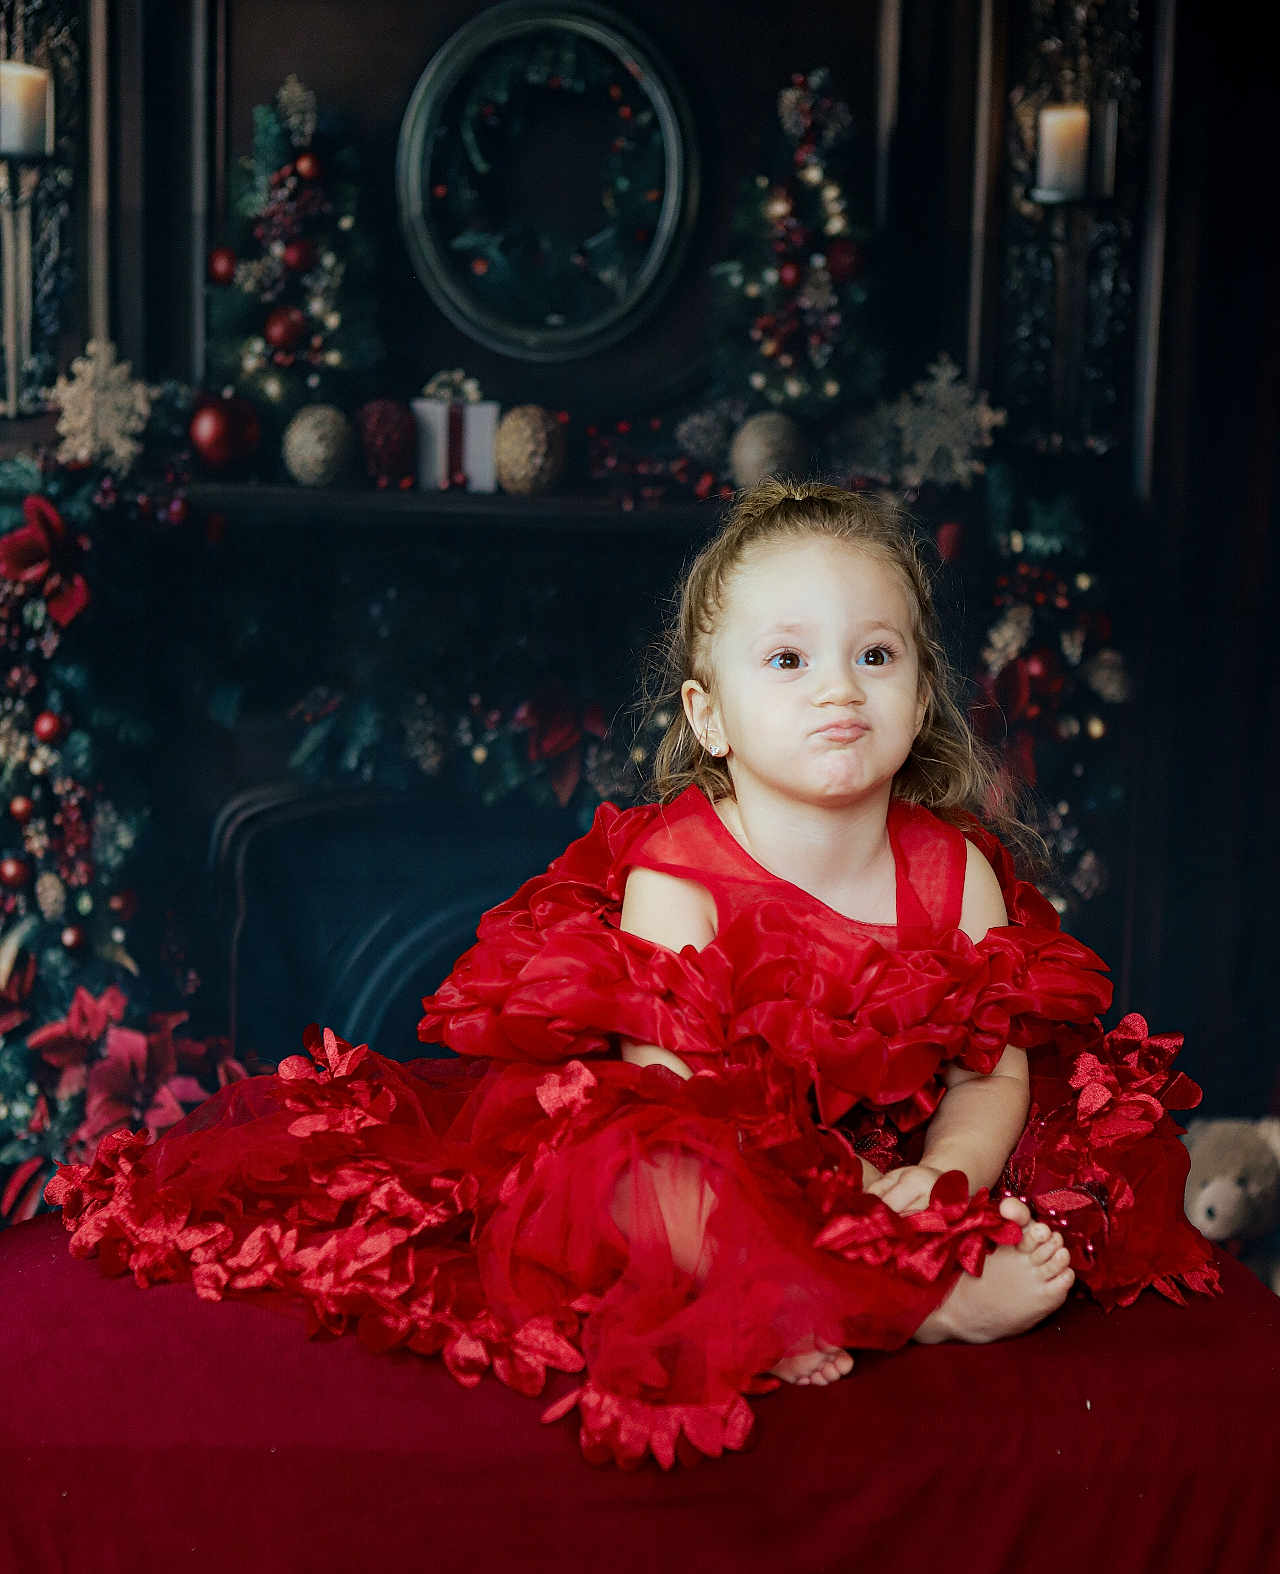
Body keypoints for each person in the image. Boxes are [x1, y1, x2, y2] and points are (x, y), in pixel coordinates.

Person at [43, 478, 1218, 1470]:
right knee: (644, 1186)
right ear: (709, 717)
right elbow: (681, 1090)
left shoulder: (952, 873)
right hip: (735, 1141)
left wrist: (944, 1181)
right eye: (788, 659)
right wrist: (859, 1194)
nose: (837, 689)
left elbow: (987, 1071)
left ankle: (843, 1284)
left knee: (1072, 1158)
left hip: (903, 1154)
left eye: (874, 655)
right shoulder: (679, 872)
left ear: (918, 697)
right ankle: (909, 1302)